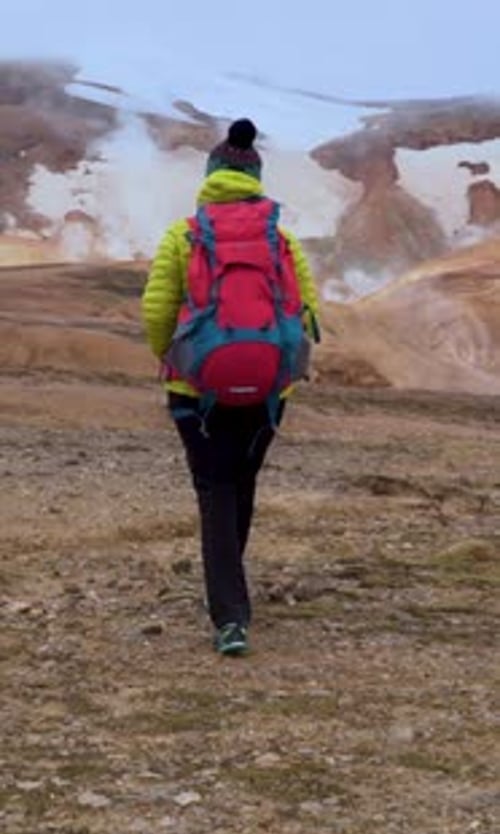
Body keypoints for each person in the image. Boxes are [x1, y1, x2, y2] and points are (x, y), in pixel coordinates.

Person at [141, 118, 320, 656]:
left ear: (211, 175)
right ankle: (231, 591)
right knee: (240, 482)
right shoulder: (281, 237)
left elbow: (156, 310)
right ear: (256, 178)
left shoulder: (184, 233)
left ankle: (229, 615)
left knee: (214, 489)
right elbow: (306, 309)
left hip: (197, 390)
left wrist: (173, 358)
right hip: (268, 390)